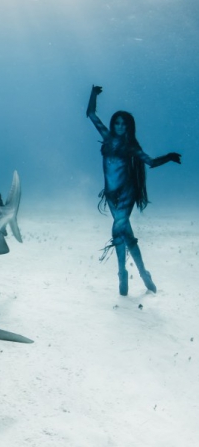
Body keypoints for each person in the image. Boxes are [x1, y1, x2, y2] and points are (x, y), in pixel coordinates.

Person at [85, 85, 182, 296]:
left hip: (126, 192)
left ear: (129, 126)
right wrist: (93, 94)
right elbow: (91, 114)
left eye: (124, 124)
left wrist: (169, 156)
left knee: (118, 229)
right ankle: (143, 272)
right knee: (127, 235)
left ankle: (121, 273)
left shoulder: (130, 146)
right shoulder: (107, 137)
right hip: (110, 194)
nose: (120, 126)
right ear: (114, 124)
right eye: (117, 123)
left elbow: (150, 162)